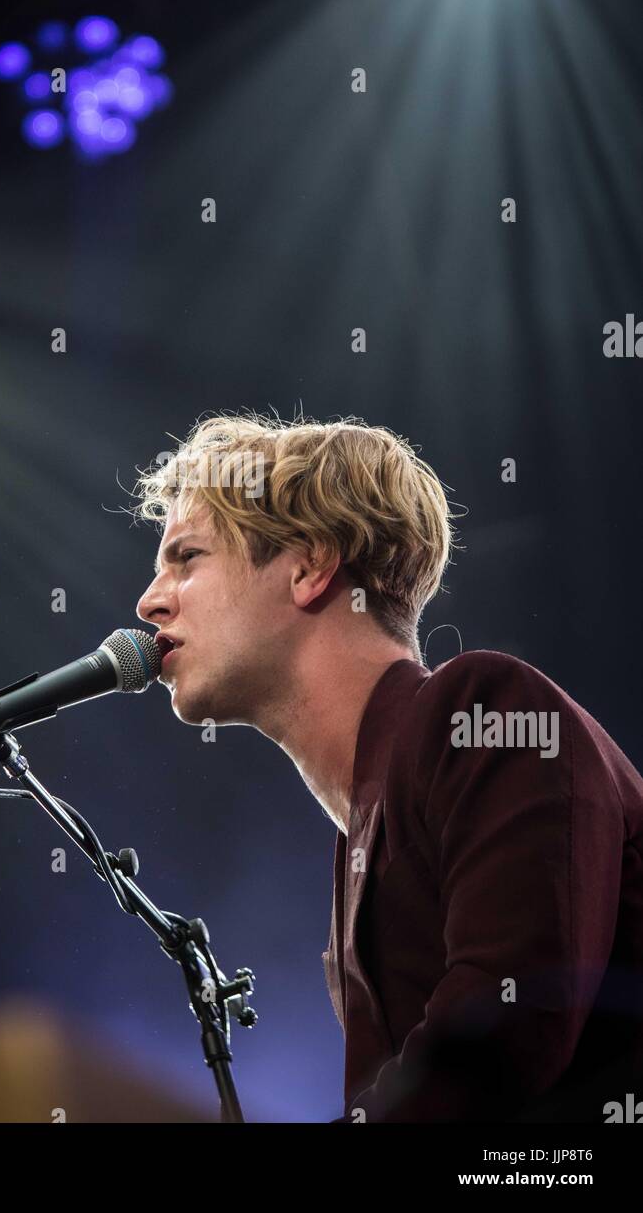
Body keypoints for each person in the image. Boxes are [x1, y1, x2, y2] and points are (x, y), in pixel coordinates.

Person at [132, 411, 643, 1122]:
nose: (149, 600)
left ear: (309, 566)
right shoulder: (358, 837)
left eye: (186, 558)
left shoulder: (483, 709)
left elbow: (504, 1031)